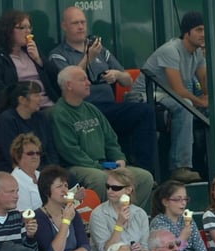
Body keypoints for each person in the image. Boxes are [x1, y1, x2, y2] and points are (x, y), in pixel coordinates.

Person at [48, 6, 156, 173]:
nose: (80, 27)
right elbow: (67, 80)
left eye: (83, 22)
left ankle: (144, 171)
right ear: (64, 26)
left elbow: (128, 81)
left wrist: (117, 75)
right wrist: (88, 58)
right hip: (82, 110)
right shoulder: (58, 54)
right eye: (75, 23)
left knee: (145, 112)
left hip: (109, 107)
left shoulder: (101, 50)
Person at [50, 65, 154, 208]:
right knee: (100, 178)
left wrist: (120, 160)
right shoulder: (59, 113)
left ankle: (127, 217)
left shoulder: (91, 109)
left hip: (104, 164)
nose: (89, 83)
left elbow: (111, 140)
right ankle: (102, 221)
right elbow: (70, 151)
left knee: (144, 177)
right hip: (76, 167)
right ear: (69, 85)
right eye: (83, 80)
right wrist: (99, 167)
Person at [126, 12, 207, 183]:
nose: (203, 34)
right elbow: (178, 90)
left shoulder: (198, 53)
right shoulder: (171, 50)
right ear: (187, 33)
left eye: (205, 30)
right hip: (143, 96)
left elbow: (205, 80)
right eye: (199, 30)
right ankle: (180, 168)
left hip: (166, 97)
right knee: (185, 104)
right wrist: (200, 102)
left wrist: (209, 99)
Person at [0, 9, 60, 134]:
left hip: (47, 104)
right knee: (57, 118)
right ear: (8, 31)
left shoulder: (31, 51)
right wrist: (25, 102)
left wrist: (39, 60)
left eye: (29, 27)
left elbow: (57, 78)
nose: (27, 32)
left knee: (77, 113)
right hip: (20, 109)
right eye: (21, 28)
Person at [89, 168, 150, 251]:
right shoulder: (98, 214)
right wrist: (119, 225)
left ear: (128, 190)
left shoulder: (140, 214)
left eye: (115, 188)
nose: (109, 191)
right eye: (107, 187)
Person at [0, 82, 61, 173]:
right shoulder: (7, 121)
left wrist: (54, 170)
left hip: (42, 169)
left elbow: (51, 149)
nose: (41, 99)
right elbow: (13, 156)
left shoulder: (41, 117)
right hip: (14, 171)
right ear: (22, 100)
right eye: (36, 95)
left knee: (69, 178)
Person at [150, 180, 212, 251]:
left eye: (185, 199)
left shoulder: (187, 219)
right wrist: (183, 237)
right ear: (165, 202)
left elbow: (199, 245)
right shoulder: (158, 223)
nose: (183, 203)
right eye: (178, 199)